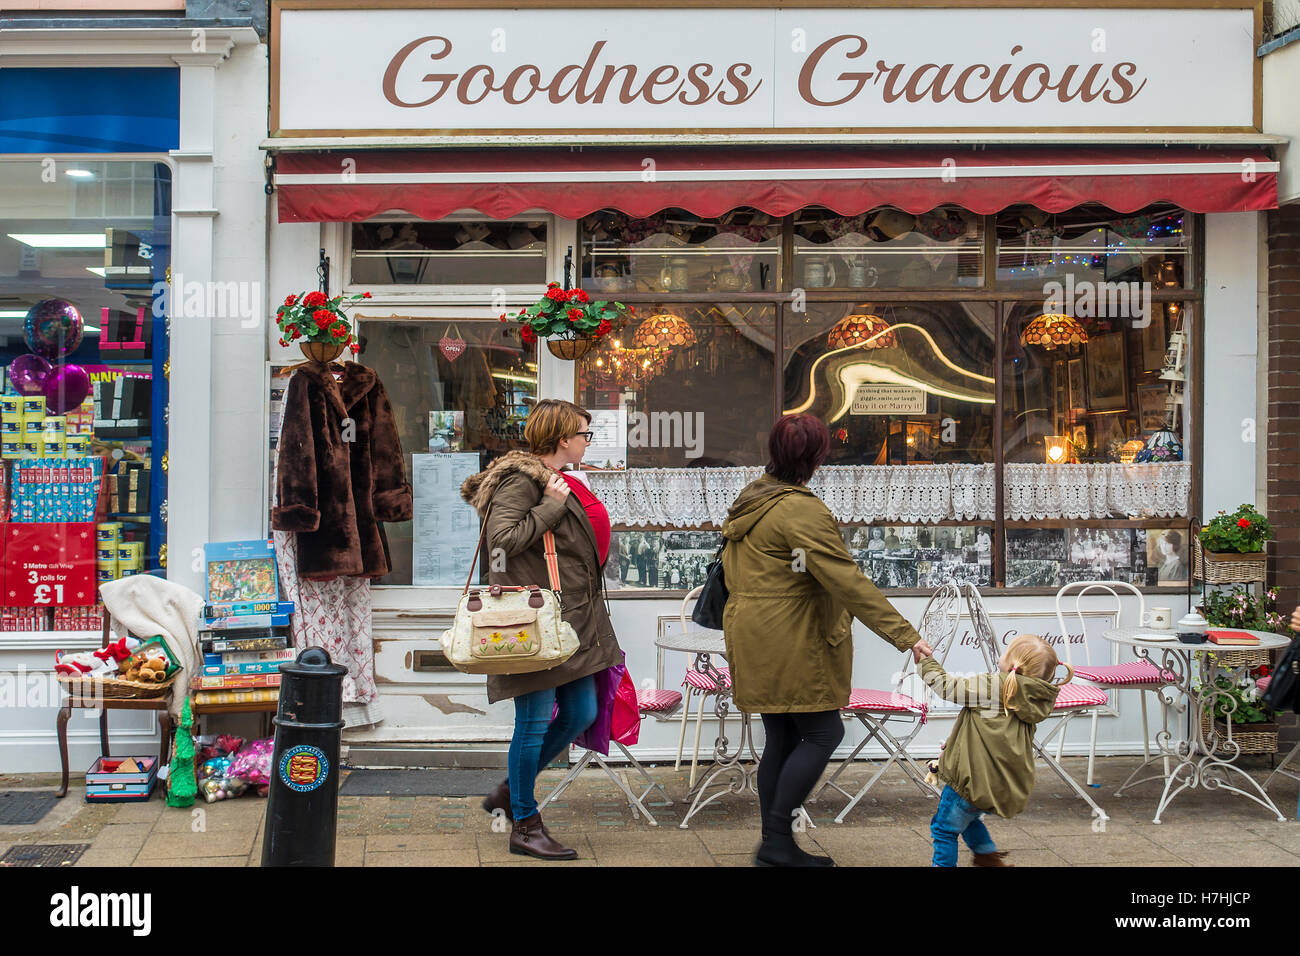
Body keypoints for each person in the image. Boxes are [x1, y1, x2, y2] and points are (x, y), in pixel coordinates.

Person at [721, 413, 933, 867]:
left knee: (781, 736)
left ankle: (775, 843)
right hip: (791, 635)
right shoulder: (800, 509)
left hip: (755, 631)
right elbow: (847, 581)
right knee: (823, 731)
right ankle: (777, 840)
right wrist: (906, 636)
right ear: (817, 456)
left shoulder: (753, 497)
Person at [460, 399, 621, 861]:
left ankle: (512, 790)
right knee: (532, 724)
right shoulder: (522, 481)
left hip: (568, 620)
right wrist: (552, 505)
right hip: (533, 624)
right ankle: (525, 825)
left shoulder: (557, 478)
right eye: (584, 434)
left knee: (580, 714)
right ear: (562, 438)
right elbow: (502, 542)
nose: (587, 441)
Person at [914, 633, 1068, 867]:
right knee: (969, 820)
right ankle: (989, 859)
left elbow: (948, 687)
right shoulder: (1034, 697)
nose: (1001, 654)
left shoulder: (993, 686)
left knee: (944, 829)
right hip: (996, 784)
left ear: (1013, 664)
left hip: (970, 781)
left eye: (1006, 652)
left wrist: (925, 663)